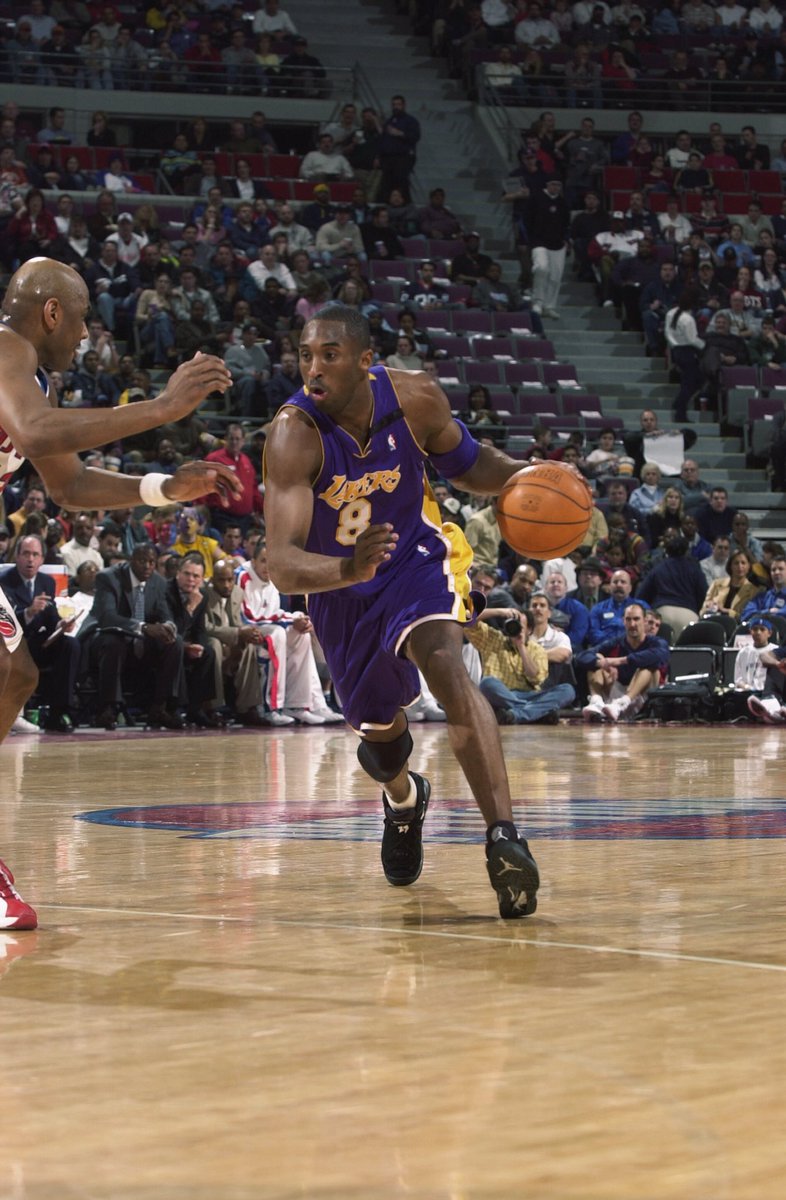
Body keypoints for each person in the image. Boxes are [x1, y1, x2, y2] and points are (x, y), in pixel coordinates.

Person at [263, 304, 541, 919]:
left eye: (329, 355)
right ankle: (404, 797)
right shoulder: (293, 432)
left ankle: (504, 838)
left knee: (447, 664)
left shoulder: (414, 399)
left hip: (413, 560)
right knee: (380, 737)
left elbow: (470, 466)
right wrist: (345, 569)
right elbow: (280, 561)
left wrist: (532, 474)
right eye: (306, 355)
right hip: (337, 587)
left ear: (365, 361)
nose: (313, 369)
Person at [0, 257, 240, 930]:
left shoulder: (30, 376)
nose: (83, 334)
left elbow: (68, 485)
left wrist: (165, 487)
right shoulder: (3, 350)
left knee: (13, 675)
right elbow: (36, 433)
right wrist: (159, 409)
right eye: (79, 319)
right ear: (51, 312)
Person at [580, 602, 669, 722]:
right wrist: (603, 664)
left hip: (642, 698)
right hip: (614, 698)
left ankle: (624, 702)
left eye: (636, 619)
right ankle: (597, 702)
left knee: (649, 668)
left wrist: (622, 660)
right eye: (628, 619)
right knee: (596, 658)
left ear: (644, 621)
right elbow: (582, 656)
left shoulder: (657, 642)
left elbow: (662, 655)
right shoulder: (616, 641)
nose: (632, 624)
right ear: (623, 621)